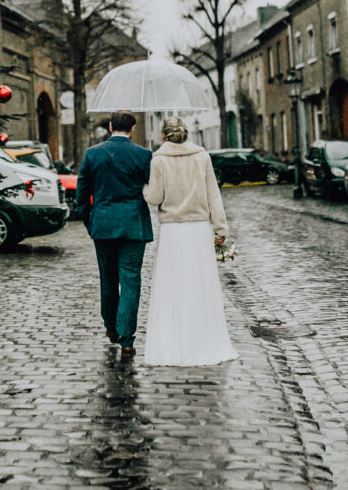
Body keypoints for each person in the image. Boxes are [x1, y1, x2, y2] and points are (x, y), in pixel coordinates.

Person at [142, 116, 237, 366]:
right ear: (187, 133)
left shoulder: (159, 160)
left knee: (173, 287)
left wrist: (143, 188)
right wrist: (220, 229)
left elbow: (154, 197)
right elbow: (213, 194)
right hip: (198, 229)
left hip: (174, 230)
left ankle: (173, 342)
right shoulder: (202, 156)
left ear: (163, 136)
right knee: (200, 286)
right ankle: (204, 340)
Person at [76, 111, 153, 361]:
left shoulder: (92, 154)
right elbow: (152, 189)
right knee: (131, 281)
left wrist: (90, 221)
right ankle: (127, 339)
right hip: (133, 225)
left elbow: (82, 194)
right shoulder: (143, 155)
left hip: (104, 224)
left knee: (108, 279)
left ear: (110, 126)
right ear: (132, 128)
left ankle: (111, 327)